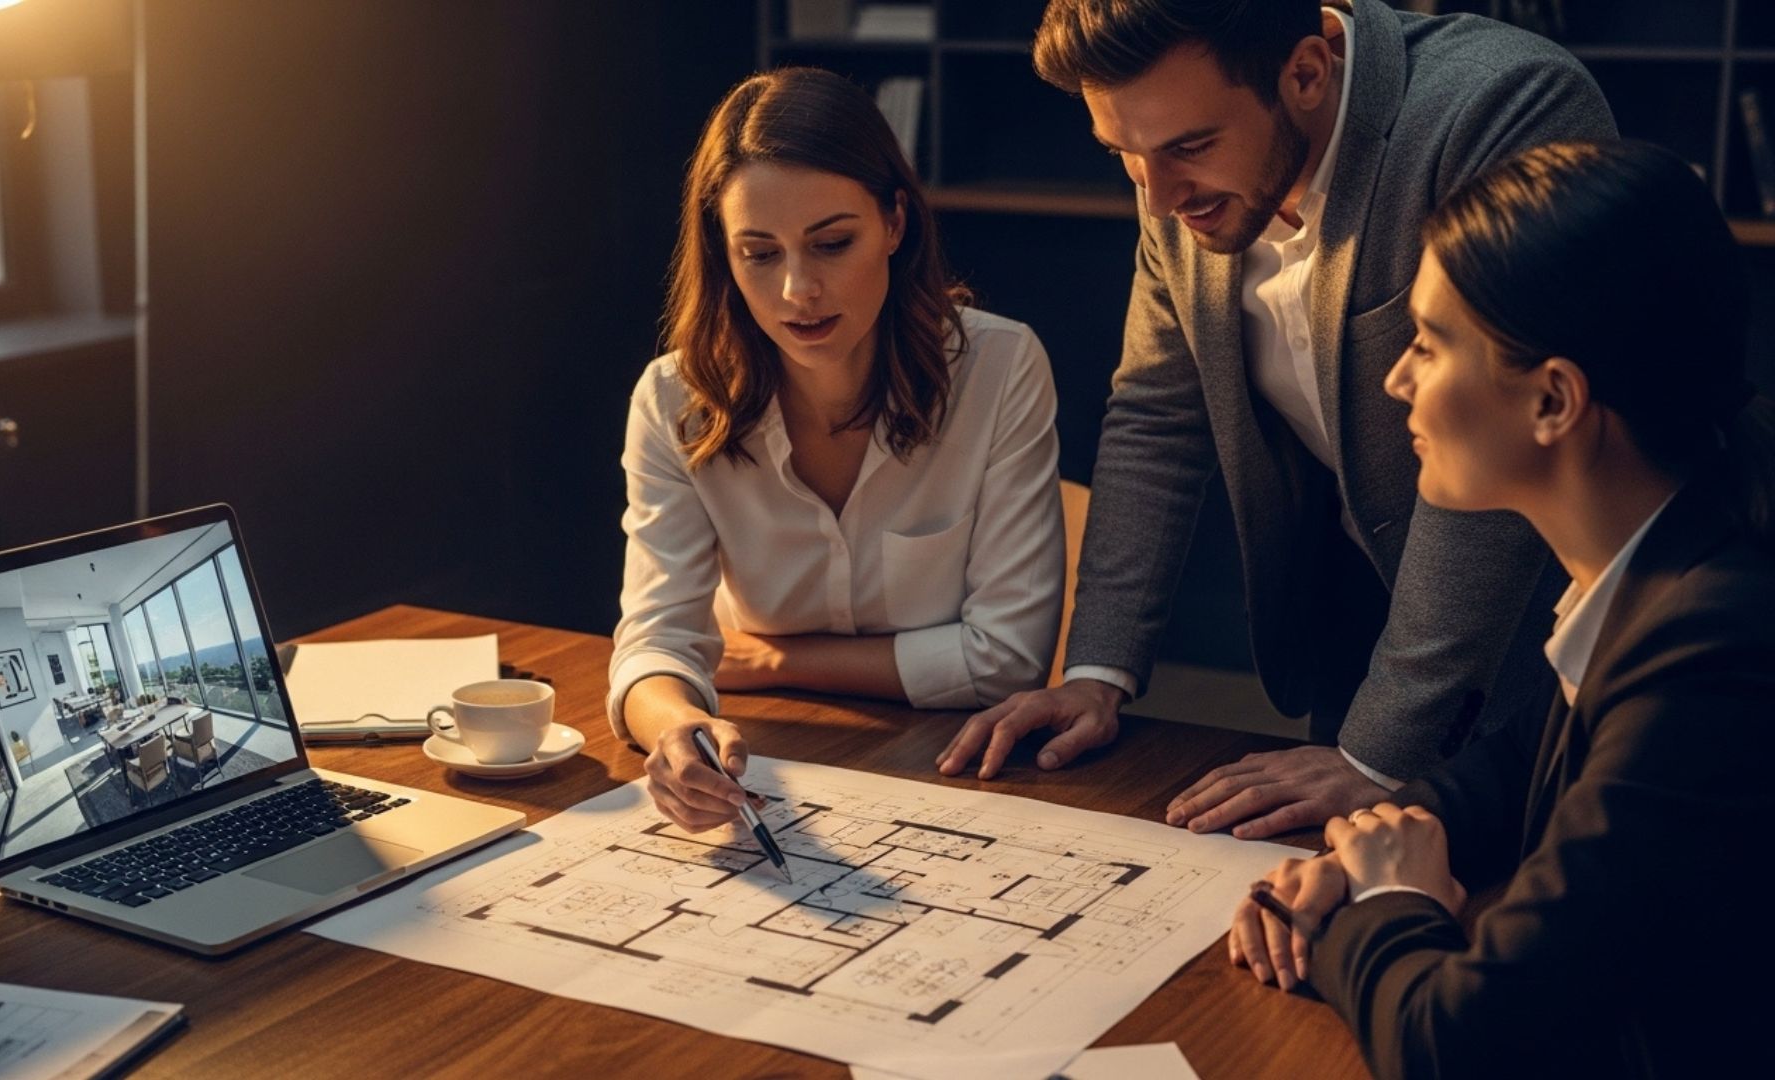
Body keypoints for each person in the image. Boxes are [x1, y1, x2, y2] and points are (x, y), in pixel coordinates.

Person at [937, 0, 1617, 841]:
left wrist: (1377, 752)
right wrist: (1094, 672)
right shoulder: (1180, 182)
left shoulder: (1502, 106)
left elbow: (1507, 425)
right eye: (1124, 157)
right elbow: (1156, 411)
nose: (1156, 202)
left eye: (1188, 148)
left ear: (1306, 71)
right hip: (1356, 633)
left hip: (1551, 651)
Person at [1230, 140, 1775, 1077]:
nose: (1398, 380)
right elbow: (1513, 769)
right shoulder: (1671, 554)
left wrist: (1381, 907)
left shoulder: (1709, 652)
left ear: (1554, 400)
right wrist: (1368, 851)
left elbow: (1455, 1043)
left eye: (1431, 344)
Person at [611, 67, 1066, 831]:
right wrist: (676, 731)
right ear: (725, 255)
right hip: (776, 757)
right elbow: (654, 648)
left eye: (831, 243)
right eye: (760, 253)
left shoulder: (1000, 367)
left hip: (958, 779)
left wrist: (769, 661)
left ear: (894, 223)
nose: (798, 290)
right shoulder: (673, 401)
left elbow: (1006, 661)